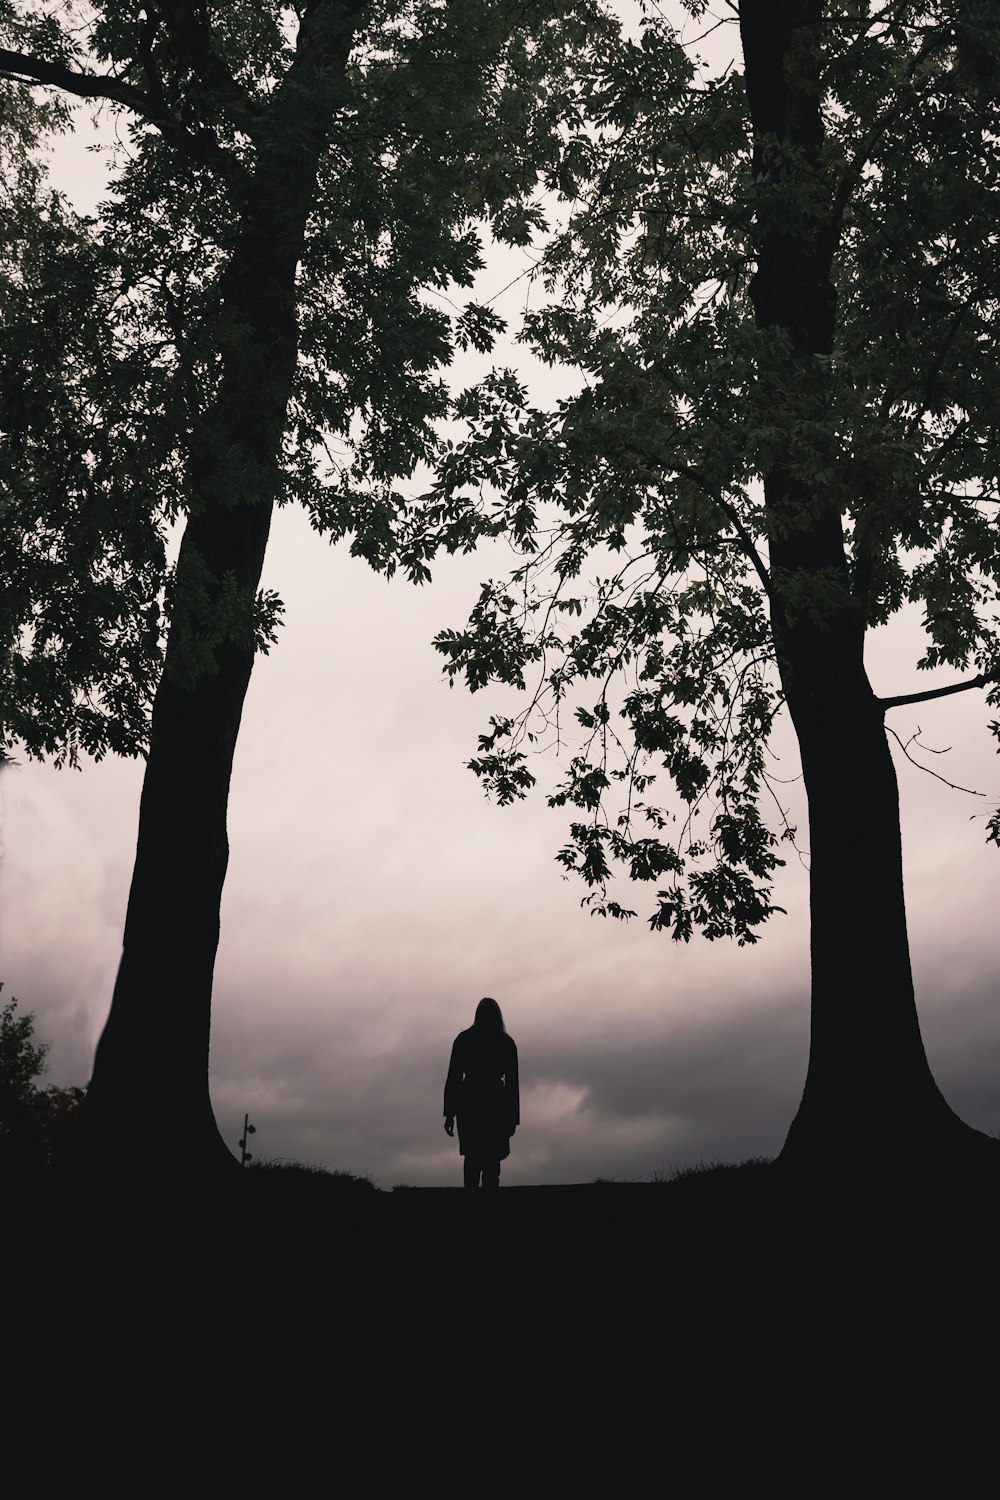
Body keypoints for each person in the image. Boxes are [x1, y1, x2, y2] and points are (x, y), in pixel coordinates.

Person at [444, 997, 519, 1189]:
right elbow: (512, 1085)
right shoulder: (506, 1042)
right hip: (496, 1103)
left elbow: (454, 1077)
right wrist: (513, 1118)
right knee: (492, 1164)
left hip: (469, 1102)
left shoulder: (463, 1040)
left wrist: (449, 1114)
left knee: (472, 1158)